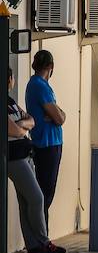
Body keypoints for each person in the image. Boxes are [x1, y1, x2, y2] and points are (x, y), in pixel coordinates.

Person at [7, 68, 66, 253]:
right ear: (9, 80)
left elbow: (31, 120)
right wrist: (21, 127)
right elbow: (15, 131)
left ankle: (33, 247)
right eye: (13, 77)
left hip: (24, 154)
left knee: (26, 202)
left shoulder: (11, 103)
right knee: (37, 197)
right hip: (14, 157)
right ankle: (42, 241)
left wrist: (21, 126)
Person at [25, 50, 66, 226]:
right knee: (46, 192)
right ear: (50, 67)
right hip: (48, 144)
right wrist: (58, 113)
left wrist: (56, 113)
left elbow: (56, 115)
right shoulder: (40, 85)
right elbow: (60, 118)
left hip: (45, 142)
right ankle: (41, 236)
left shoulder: (35, 84)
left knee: (44, 191)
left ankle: (41, 234)